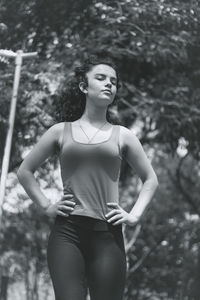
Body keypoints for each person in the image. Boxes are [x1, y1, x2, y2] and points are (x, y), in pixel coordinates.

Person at [17, 54, 158, 300]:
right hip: (67, 233)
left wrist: (133, 215)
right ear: (84, 86)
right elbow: (24, 171)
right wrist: (47, 206)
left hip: (108, 237)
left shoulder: (123, 135)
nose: (108, 84)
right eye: (101, 78)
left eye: (113, 81)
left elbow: (150, 179)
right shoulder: (60, 131)